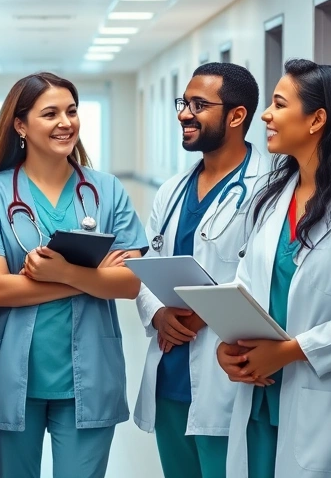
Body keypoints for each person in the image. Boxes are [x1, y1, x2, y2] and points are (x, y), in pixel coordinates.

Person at [216, 59, 331, 478]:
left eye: (279, 104)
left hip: (327, 399)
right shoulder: (272, 196)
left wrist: (288, 352)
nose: (266, 114)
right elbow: (249, 285)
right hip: (261, 398)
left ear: (317, 119)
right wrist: (228, 347)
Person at [0, 72, 148, 478]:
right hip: (11, 374)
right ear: (20, 125)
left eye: (71, 111)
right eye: (50, 113)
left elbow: (131, 282)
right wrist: (88, 277)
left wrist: (61, 271)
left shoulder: (106, 190)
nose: (65, 122)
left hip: (90, 375)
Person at [133, 62, 268, 478]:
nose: (183, 114)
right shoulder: (173, 189)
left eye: (198, 104)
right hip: (171, 369)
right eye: (183, 102)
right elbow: (147, 266)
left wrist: (200, 311)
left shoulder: (271, 186)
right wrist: (156, 312)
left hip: (225, 373)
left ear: (237, 115)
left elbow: (265, 277)